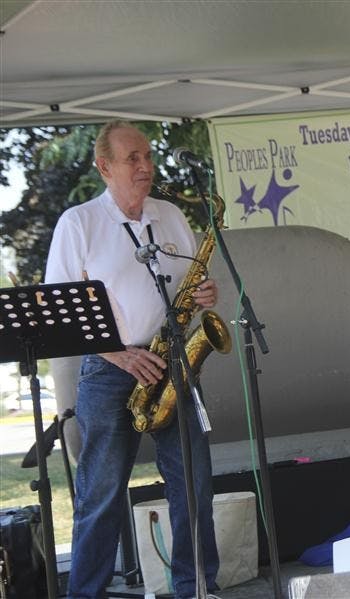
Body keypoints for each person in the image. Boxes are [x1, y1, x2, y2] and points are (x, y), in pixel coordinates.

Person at [45, 121, 220, 598]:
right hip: (109, 370)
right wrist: (119, 354)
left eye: (148, 155)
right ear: (104, 167)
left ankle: (196, 588)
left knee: (194, 486)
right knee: (101, 494)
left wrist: (205, 293)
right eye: (132, 159)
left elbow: (190, 282)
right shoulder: (79, 223)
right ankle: (86, 593)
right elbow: (60, 313)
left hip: (173, 363)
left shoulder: (170, 215)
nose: (146, 166)